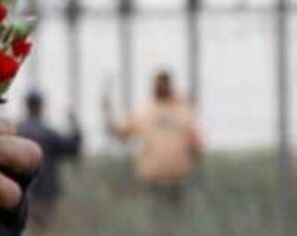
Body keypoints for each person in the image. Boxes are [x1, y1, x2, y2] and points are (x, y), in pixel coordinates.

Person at [104, 70, 204, 203]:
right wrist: (107, 114)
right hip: (153, 177)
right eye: (159, 84)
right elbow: (121, 133)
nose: (161, 87)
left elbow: (196, 144)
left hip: (176, 178)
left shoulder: (182, 111)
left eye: (163, 84)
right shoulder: (144, 112)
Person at [16, 89, 82, 225]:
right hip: (47, 193)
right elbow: (72, 148)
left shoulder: (17, 131)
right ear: (41, 107)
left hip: (22, 193)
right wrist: (75, 125)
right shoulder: (49, 133)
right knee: (44, 230)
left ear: (26, 106)